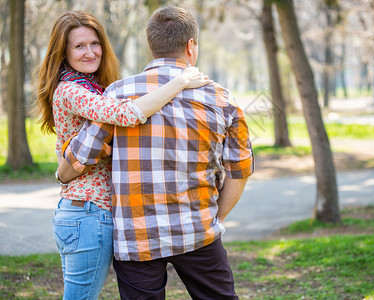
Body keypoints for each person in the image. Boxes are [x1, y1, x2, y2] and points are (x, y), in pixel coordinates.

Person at [59, 6, 254, 299]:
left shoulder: (117, 93)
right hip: (198, 230)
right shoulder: (222, 99)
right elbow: (239, 173)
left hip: (136, 239)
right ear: (191, 46)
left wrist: (62, 172)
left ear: (152, 47)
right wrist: (216, 218)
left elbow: (77, 160)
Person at [35, 11, 211, 300]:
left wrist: (62, 172)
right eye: (79, 46)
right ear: (63, 53)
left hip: (87, 212)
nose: (90, 52)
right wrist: (179, 82)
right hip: (89, 213)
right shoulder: (71, 90)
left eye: (95, 43)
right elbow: (126, 113)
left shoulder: (93, 88)